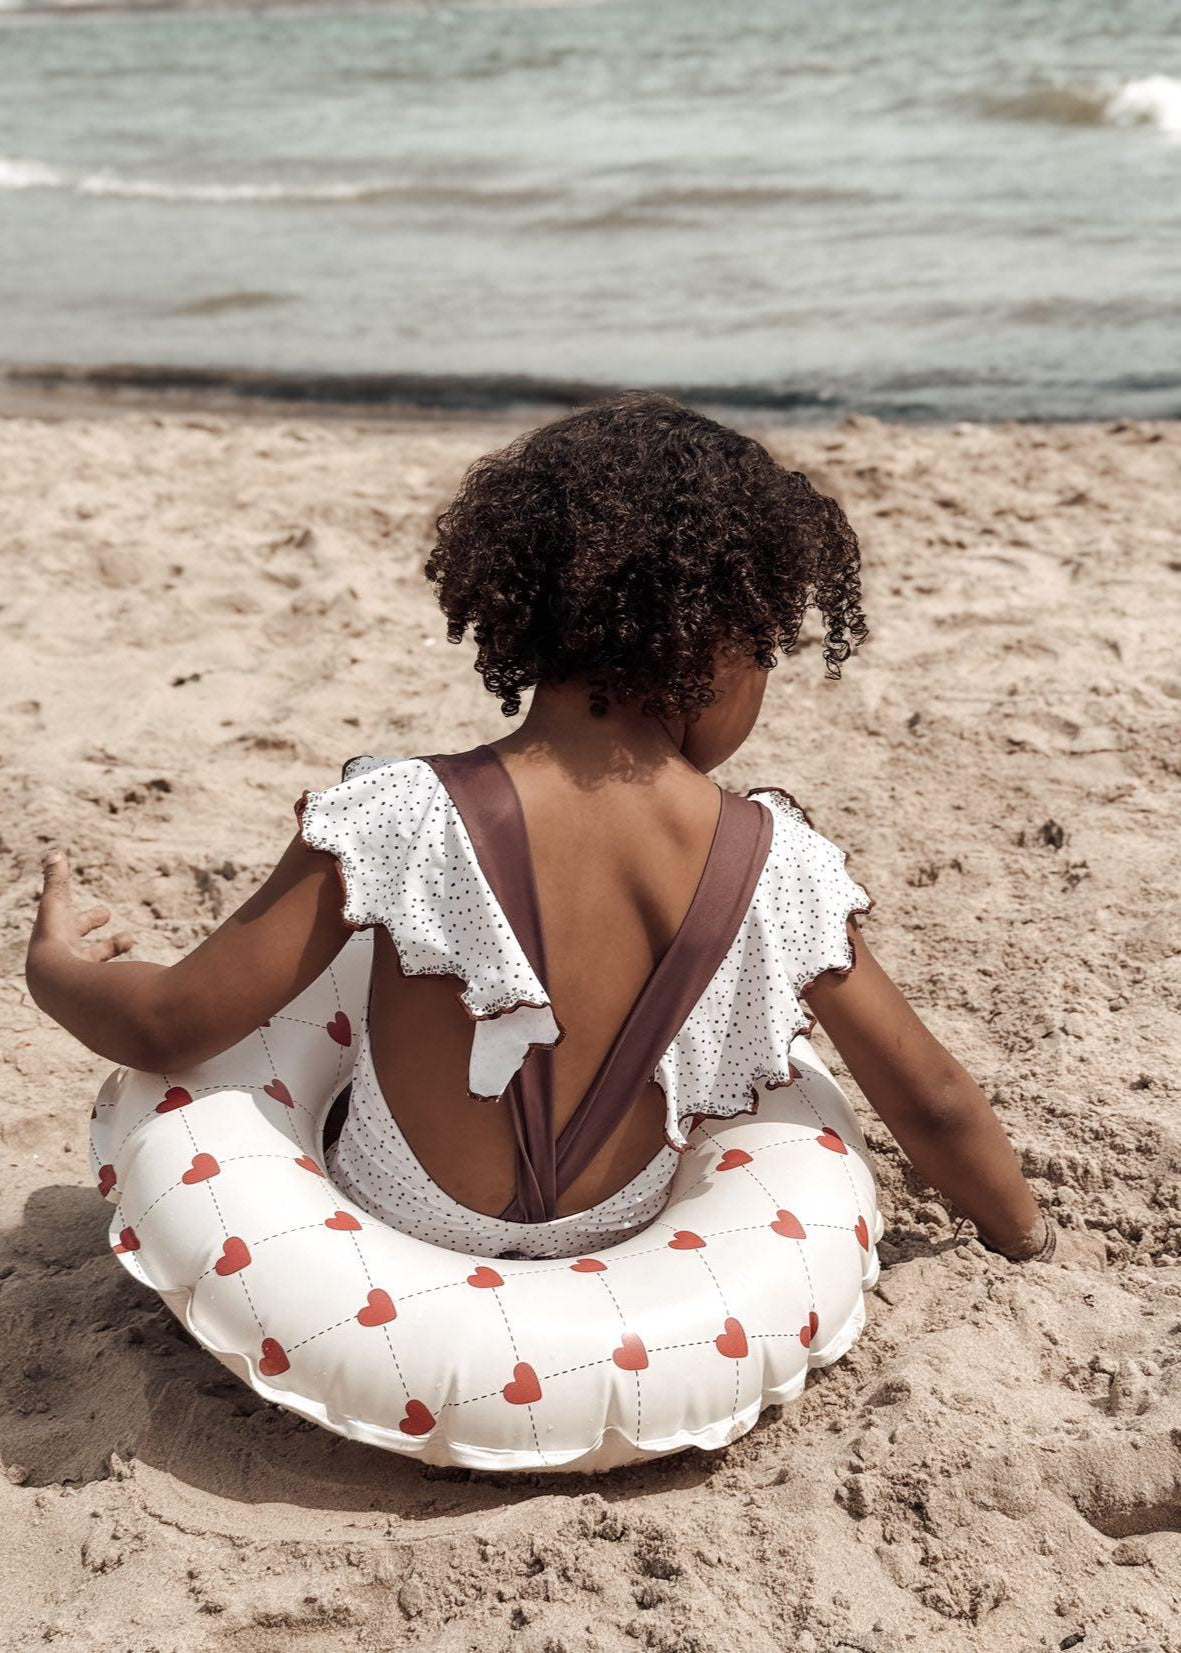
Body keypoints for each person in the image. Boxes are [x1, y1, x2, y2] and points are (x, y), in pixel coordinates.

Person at [25, 392, 1103, 1270]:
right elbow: (933, 1099)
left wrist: (56, 972)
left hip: (392, 1218)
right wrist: (1025, 1236)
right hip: (615, 1233)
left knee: (368, 910)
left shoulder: (397, 811)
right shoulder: (774, 861)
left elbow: (166, 1025)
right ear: (724, 643)